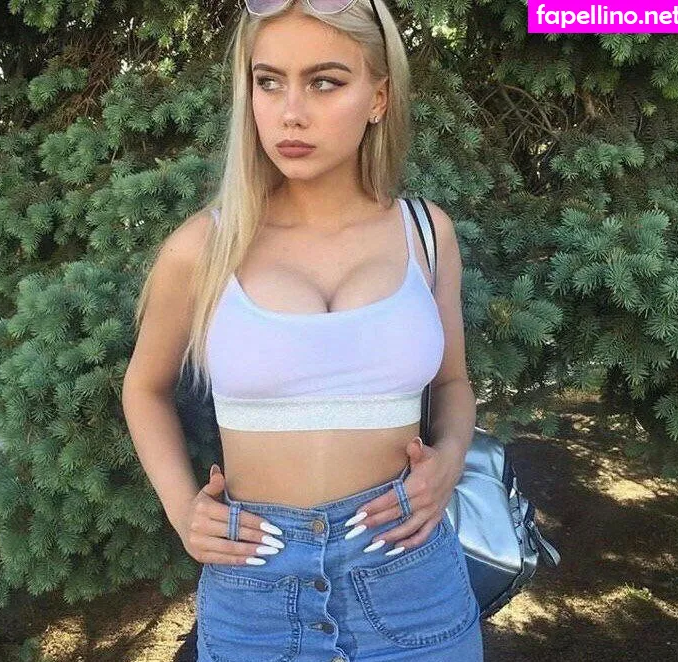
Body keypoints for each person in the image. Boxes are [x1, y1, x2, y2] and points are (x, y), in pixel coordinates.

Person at [121, 1, 483, 660]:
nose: (291, 112)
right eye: (269, 81)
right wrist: (182, 509)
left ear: (378, 97)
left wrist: (449, 462)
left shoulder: (426, 233)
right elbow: (144, 388)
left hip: (411, 585)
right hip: (256, 593)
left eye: (324, 82)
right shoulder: (205, 247)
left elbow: (454, 383)